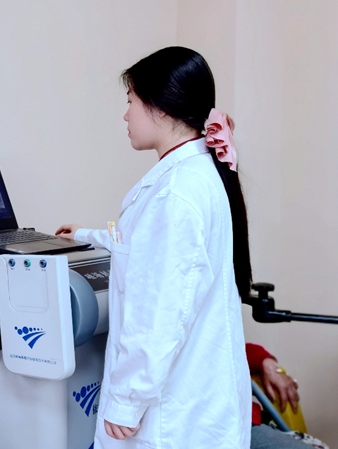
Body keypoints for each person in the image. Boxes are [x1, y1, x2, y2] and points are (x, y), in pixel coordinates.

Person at [56, 46, 252, 448]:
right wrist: (85, 234)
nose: (126, 115)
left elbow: (160, 314)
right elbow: (146, 247)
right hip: (192, 400)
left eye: (131, 101)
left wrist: (126, 402)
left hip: (172, 416)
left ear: (160, 107)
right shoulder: (194, 174)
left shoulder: (175, 194)